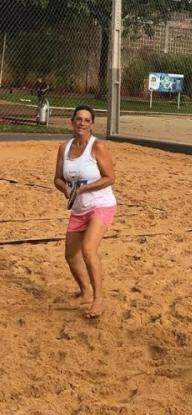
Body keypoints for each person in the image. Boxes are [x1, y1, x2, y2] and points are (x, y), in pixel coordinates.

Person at [53, 105, 117, 318]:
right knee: (70, 255)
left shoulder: (97, 146)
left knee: (89, 249)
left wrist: (85, 188)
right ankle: (85, 292)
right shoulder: (65, 147)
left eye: (86, 120)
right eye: (78, 119)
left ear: (91, 124)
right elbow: (57, 179)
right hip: (79, 208)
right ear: (71, 122)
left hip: (101, 204)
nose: (82, 123)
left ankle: (99, 299)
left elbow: (110, 177)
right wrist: (67, 190)